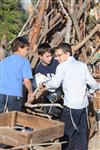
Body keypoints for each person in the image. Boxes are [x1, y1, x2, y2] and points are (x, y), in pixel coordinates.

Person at [41, 43, 99, 150]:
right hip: (83, 106)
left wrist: (45, 83)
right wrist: (94, 88)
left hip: (71, 107)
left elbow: (55, 83)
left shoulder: (62, 67)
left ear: (67, 53)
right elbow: (93, 83)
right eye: (56, 56)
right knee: (81, 134)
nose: (57, 58)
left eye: (59, 55)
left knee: (67, 135)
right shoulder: (82, 65)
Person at [0, 36, 33, 113]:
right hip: (15, 95)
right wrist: (30, 93)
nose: (28, 52)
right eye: (26, 49)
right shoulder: (24, 61)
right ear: (19, 49)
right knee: (13, 120)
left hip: (1, 93)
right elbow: (26, 80)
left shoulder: (4, 61)